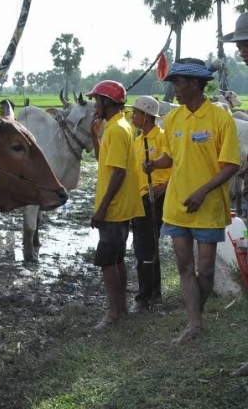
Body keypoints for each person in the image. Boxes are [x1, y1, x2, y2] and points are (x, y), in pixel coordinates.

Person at [144, 58, 240, 345]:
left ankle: (196, 315)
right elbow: (171, 157)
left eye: (178, 83)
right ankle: (195, 324)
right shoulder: (173, 118)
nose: (175, 90)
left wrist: (202, 192)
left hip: (207, 206)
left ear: (195, 84)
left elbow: (231, 165)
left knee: (206, 270)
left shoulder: (220, 118)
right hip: (176, 207)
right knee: (185, 266)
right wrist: (154, 164)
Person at [87, 80, 144, 329]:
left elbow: (118, 173)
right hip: (118, 206)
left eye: (97, 100)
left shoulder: (117, 130)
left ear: (107, 102)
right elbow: (106, 163)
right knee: (117, 258)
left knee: (108, 260)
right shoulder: (119, 126)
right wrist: (94, 136)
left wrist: (102, 208)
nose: (94, 104)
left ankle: (113, 314)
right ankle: (120, 311)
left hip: (114, 208)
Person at [129, 96, 170, 312]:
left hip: (158, 197)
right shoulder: (137, 141)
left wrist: (165, 187)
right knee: (144, 247)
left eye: (135, 112)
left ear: (146, 116)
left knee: (147, 246)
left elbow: (176, 164)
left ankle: (145, 297)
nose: (132, 116)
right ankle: (153, 294)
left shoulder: (162, 137)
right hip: (141, 199)